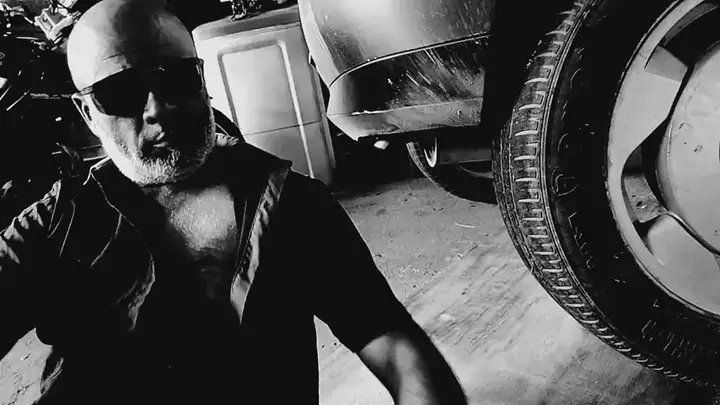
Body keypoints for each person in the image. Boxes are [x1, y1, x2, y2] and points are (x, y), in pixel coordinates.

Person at [0, 0, 468, 404]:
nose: (158, 109)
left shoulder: (295, 206)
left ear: (202, 79)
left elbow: (392, 344)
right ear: (87, 113)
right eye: (120, 92)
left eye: (175, 77)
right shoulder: (54, 224)